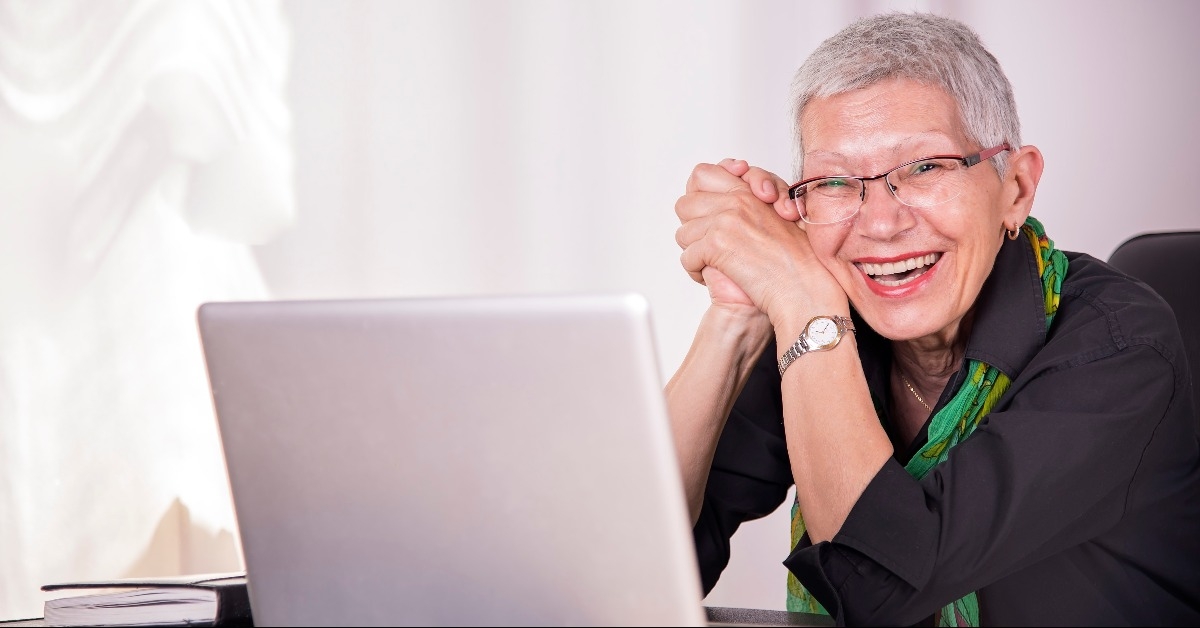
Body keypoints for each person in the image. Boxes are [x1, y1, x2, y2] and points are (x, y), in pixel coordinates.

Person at [669, 12, 1200, 627]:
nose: (880, 224)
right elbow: (631, 564)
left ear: (1016, 188)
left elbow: (875, 589)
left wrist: (801, 298)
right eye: (835, 181)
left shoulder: (1120, 346)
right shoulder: (825, 323)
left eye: (924, 168)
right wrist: (735, 316)